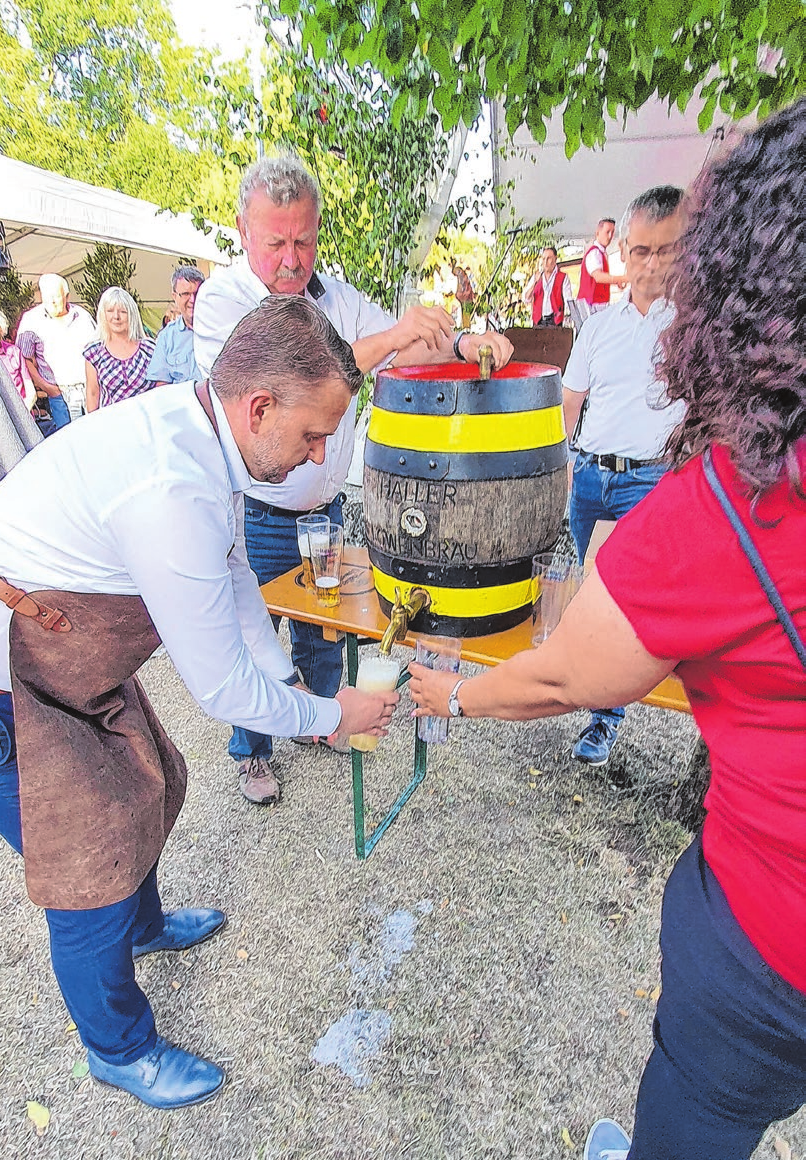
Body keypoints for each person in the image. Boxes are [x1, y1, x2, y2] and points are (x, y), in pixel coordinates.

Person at [410, 98, 806, 1160]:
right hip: (601, 490)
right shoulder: (606, 338)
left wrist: (447, 692)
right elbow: (567, 418)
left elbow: (560, 676)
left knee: (698, 1118)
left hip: (777, 939)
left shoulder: (732, 506)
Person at [0, 294, 397, 1110]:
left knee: (149, 780)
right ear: (258, 406)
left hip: (64, 663)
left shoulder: (201, 433)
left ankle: (147, 927)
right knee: (86, 866)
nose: (319, 455)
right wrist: (332, 715)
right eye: (312, 434)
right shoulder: (171, 484)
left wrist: (294, 685)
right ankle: (118, 1049)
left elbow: (231, 574)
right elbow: (220, 686)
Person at [194, 154, 513, 806]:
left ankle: (326, 722)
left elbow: (402, 347)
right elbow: (289, 385)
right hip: (255, 511)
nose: (291, 258)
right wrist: (391, 335)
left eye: (304, 240)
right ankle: (253, 752)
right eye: (275, 241)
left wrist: (458, 344)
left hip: (324, 506)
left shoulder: (336, 297)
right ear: (241, 231)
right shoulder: (223, 300)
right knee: (251, 637)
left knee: (324, 629)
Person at [562, 185, 685, 767]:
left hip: (650, 481)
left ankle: (604, 718)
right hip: (590, 476)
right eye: (640, 251)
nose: (651, 264)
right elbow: (571, 400)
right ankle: (587, 691)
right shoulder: (598, 327)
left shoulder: (691, 330)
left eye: (665, 250)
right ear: (624, 255)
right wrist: (566, 462)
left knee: (626, 600)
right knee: (591, 594)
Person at [16, 274, 97, 427]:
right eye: (47, 297)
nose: (52, 302)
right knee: (67, 441)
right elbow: (23, 359)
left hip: (88, 389)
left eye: (56, 297)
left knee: (93, 436)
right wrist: (47, 388)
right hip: (58, 393)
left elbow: (97, 351)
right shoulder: (31, 320)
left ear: (67, 296)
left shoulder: (82, 316)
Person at [84, 287, 155, 411]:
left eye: (122, 311)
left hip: (146, 421)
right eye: (110, 311)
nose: (116, 316)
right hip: (111, 423)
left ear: (132, 314)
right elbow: (93, 393)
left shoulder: (149, 349)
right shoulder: (94, 353)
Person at [146, 266, 205, 386]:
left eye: (197, 293)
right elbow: (161, 386)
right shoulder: (166, 337)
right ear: (174, 297)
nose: (192, 300)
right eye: (185, 294)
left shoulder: (219, 329)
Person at [577, 218, 628, 311]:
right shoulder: (594, 253)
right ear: (598, 233)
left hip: (596, 304)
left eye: (612, 233)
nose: (610, 236)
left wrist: (616, 281)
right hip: (591, 304)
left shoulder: (601, 253)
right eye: (607, 232)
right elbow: (599, 277)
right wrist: (623, 278)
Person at [523, 246, 572, 327]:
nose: (545, 262)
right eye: (544, 258)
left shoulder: (562, 277)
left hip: (555, 320)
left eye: (548, 258)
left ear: (555, 259)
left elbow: (568, 300)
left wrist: (566, 317)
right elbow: (526, 299)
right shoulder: (536, 276)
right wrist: (535, 282)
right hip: (538, 321)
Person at [452, 261, 476, 327]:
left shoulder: (460, 274)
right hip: (466, 298)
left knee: (466, 319)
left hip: (465, 299)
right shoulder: (462, 274)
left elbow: (461, 287)